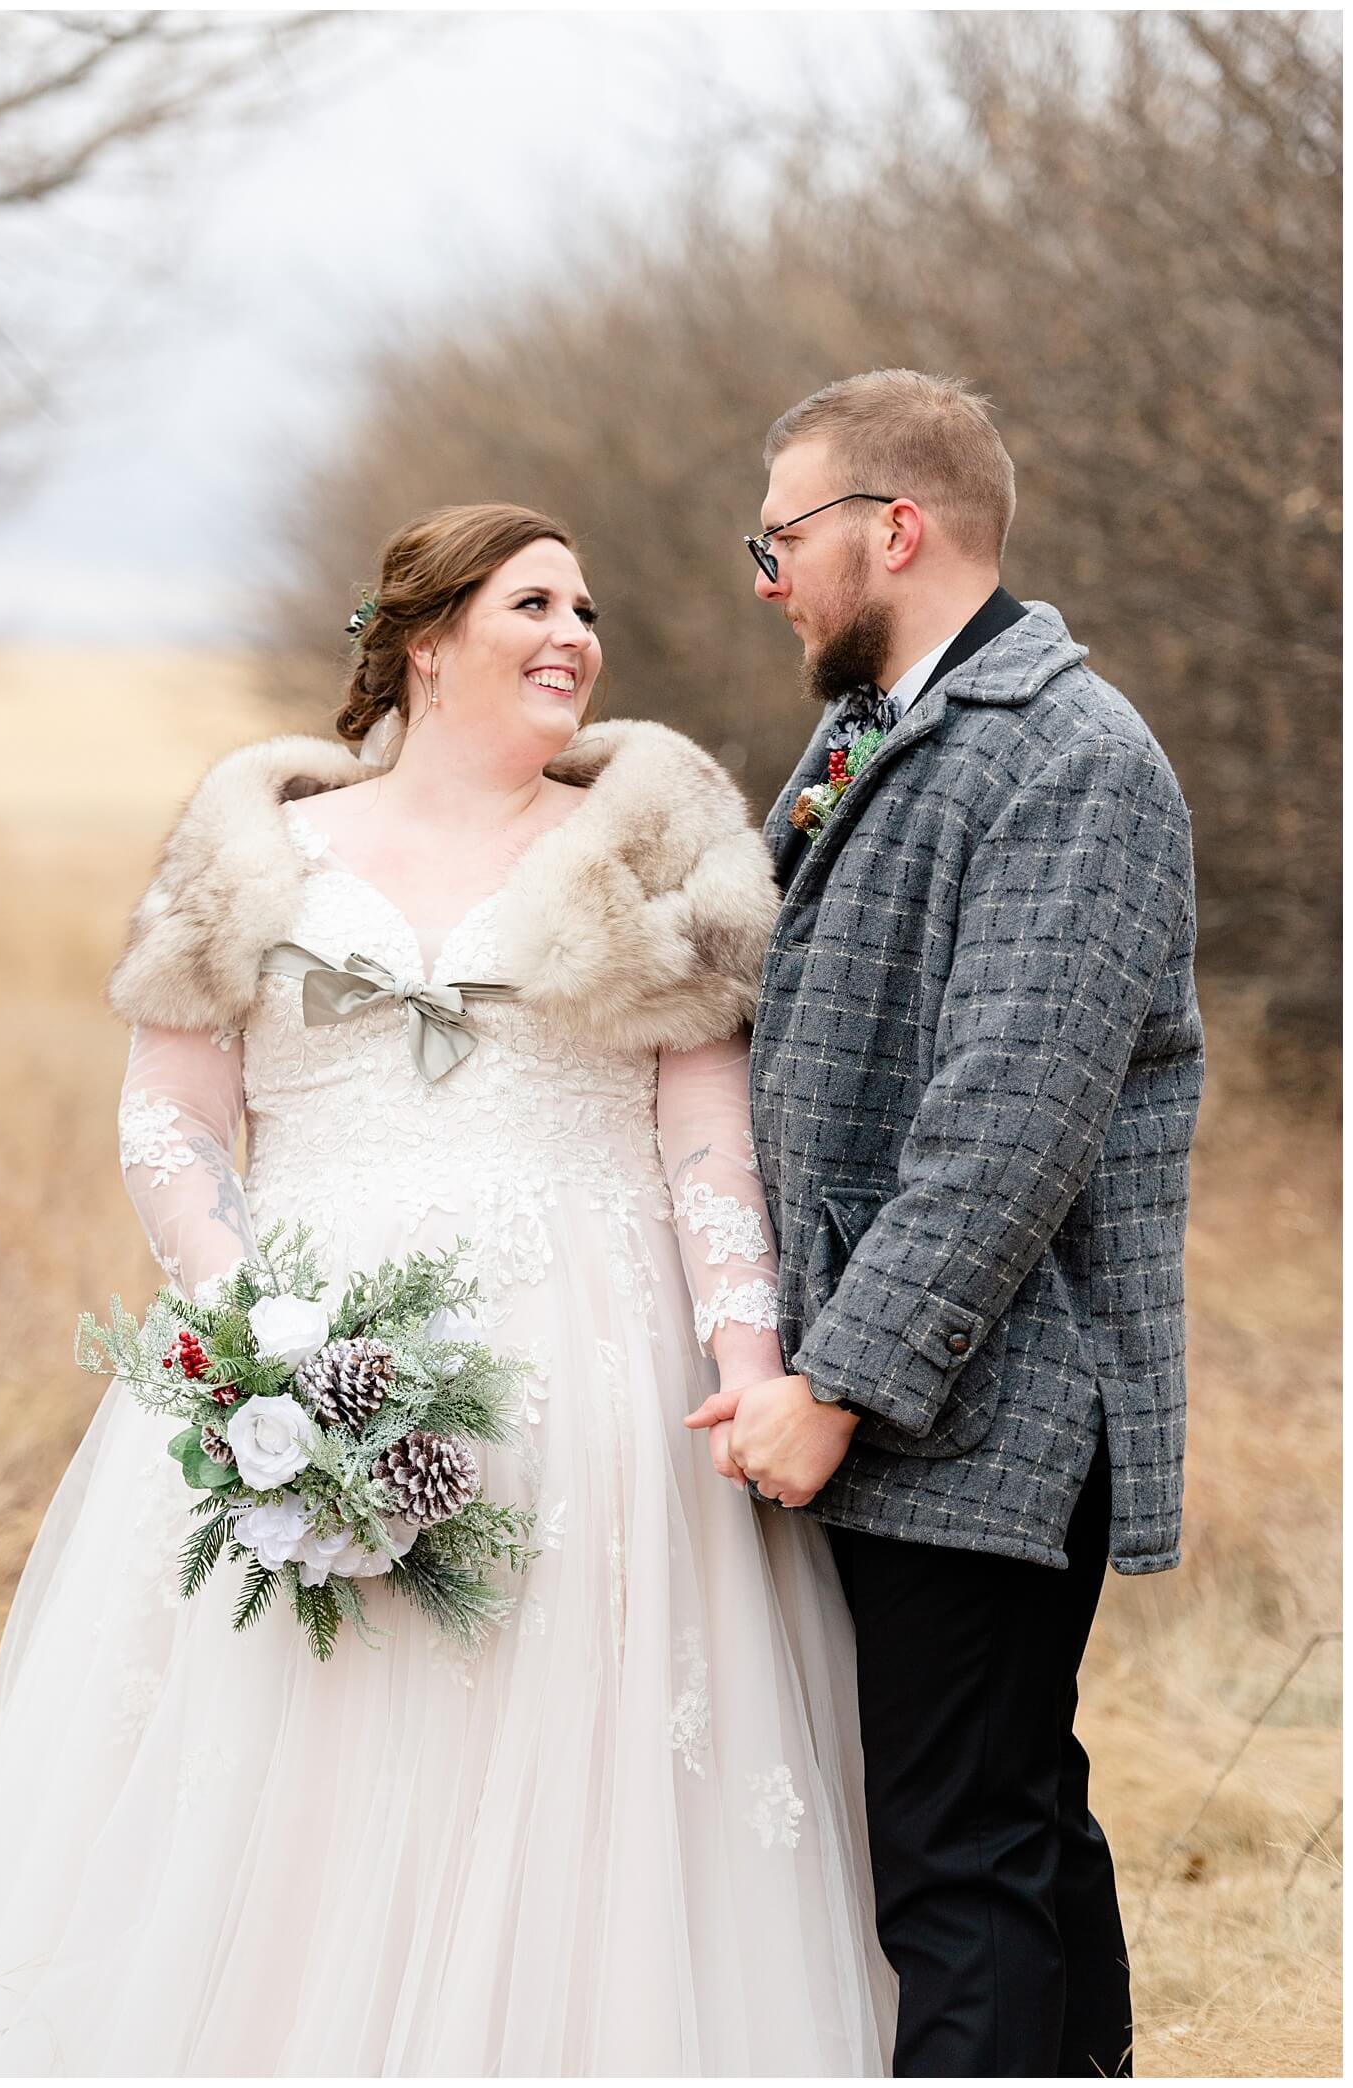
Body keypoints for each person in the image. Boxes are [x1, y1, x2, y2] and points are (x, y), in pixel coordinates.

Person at [0, 504, 896, 2076]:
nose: (575, 636)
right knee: (303, 1747)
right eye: (533, 601)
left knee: (573, 1771)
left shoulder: (656, 852)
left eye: (587, 608)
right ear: (424, 638)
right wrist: (263, 1344)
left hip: (603, 1376)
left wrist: (749, 1354)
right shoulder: (250, 849)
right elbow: (172, 1117)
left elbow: (706, 1137)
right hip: (309, 1356)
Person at [688, 370, 1204, 2078]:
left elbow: (1006, 1134)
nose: (770, 581)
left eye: (786, 540)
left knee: (958, 1869)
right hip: (917, 1395)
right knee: (1011, 1826)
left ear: (893, 530)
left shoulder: (1073, 760)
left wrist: (833, 1387)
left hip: (991, 1407)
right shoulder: (879, 732)